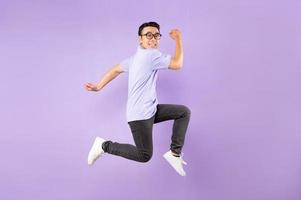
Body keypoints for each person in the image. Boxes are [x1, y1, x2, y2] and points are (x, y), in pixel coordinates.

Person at [84, 22, 191, 176]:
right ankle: (103, 145)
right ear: (140, 39)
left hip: (150, 109)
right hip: (140, 114)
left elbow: (115, 69)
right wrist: (178, 38)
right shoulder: (150, 55)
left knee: (183, 112)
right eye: (148, 35)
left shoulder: (135, 58)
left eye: (156, 35)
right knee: (144, 155)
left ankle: (174, 154)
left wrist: (98, 86)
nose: (153, 38)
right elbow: (177, 63)